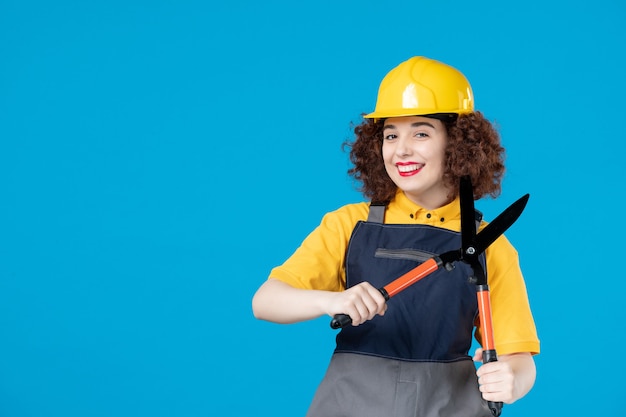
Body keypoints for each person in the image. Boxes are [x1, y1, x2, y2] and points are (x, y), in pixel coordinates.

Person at [252, 56, 540, 417]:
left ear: (459, 143)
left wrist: (512, 377)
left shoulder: (489, 245)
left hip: (450, 407)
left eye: (421, 132)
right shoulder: (349, 224)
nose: (401, 149)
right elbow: (265, 301)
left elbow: (519, 357)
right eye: (391, 135)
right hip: (349, 405)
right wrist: (330, 301)